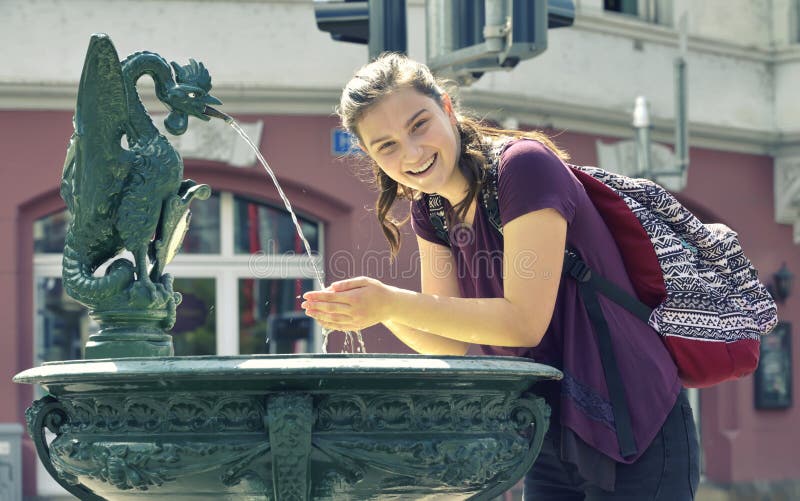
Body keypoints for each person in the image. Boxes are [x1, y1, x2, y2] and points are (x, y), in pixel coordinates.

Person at [301, 53, 700, 500]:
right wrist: (374, 313)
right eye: (386, 145)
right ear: (370, 155)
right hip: (546, 429)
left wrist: (390, 302)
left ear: (448, 109)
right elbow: (446, 341)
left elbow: (523, 321)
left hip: (631, 419)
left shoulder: (523, 168)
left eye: (419, 125)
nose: (411, 153)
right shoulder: (429, 207)